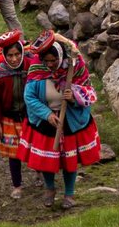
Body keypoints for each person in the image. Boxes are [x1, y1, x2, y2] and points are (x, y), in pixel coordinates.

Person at [21, 30, 101, 209]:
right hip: (47, 121)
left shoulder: (75, 68)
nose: (50, 64)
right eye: (47, 61)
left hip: (69, 120)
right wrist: (47, 114)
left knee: (69, 160)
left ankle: (69, 194)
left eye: (53, 60)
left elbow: (89, 92)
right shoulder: (37, 71)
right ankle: (50, 189)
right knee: (46, 159)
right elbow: (29, 97)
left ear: (60, 56)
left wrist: (73, 97)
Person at [0, 30, 34, 200]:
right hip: (9, 118)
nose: (14, 59)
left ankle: (41, 175)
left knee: (35, 148)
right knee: (14, 155)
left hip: (30, 116)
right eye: (10, 55)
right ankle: (17, 185)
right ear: (4, 55)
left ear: (22, 52)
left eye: (17, 54)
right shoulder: (1, 72)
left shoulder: (30, 67)